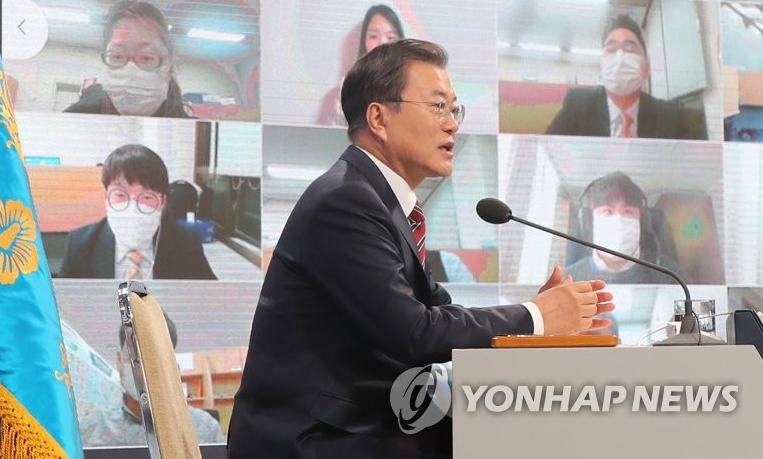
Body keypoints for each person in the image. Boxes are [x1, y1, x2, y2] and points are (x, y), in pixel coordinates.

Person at [228, 40, 613, 457]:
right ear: (379, 117)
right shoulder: (345, 201)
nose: (452, 125)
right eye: (437, 107)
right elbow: (413, 333)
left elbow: (439, 318)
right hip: (316, 442)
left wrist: (532, 317)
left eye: (455, 110)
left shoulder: (383, 204)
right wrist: (535, 317)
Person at [59, 144, 215, 279]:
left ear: (163, 202)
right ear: (106, 197)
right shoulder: (81, 243)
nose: (132, 206)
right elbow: (61, 305)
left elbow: (210, 300)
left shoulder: (186, 243)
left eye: (146, 196)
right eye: (120, 194)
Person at [547, 14, 705, 138]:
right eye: (611, 49)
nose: (620, 57)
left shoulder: (670, 115)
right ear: (602, 66)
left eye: (629, 49)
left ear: (646, 68)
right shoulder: (577, 105)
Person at [79, 312, 226, 447]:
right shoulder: (89, 432)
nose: (144, 365)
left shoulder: (204, 430)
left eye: (156, 355)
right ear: (119, 360)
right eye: (135, 353)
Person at [65, 0, 190, 117]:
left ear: (168, 66)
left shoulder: (194, 133)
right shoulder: (74, 121)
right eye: (118, 56)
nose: (130, 70)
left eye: (146, 57)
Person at [564, 172, 680, 284]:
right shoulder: (567, 282)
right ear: (589, 221)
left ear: (641, 220)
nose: (618, 221)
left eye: (628, 212)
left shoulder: (669, 276)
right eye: (607, 211)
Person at [319, 4, 406, 125]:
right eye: (373, 36)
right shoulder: (350, 85)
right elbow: (335, 133)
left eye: (390, 37)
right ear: (364, 42)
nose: (382, 43)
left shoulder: (411, 84)